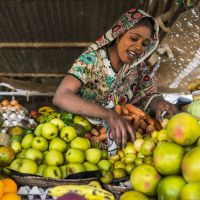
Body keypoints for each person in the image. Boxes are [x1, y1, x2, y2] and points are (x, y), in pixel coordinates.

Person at [53, 8, 178, 156]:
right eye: (134, 38)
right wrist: (108, 114)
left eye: (145, 44)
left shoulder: (137, 68)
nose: (139, 47)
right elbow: (61, 96)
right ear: (118, 35)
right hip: (78, 141)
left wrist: (159, 103)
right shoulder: (92, 60)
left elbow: (147, 94)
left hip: (117, 145)